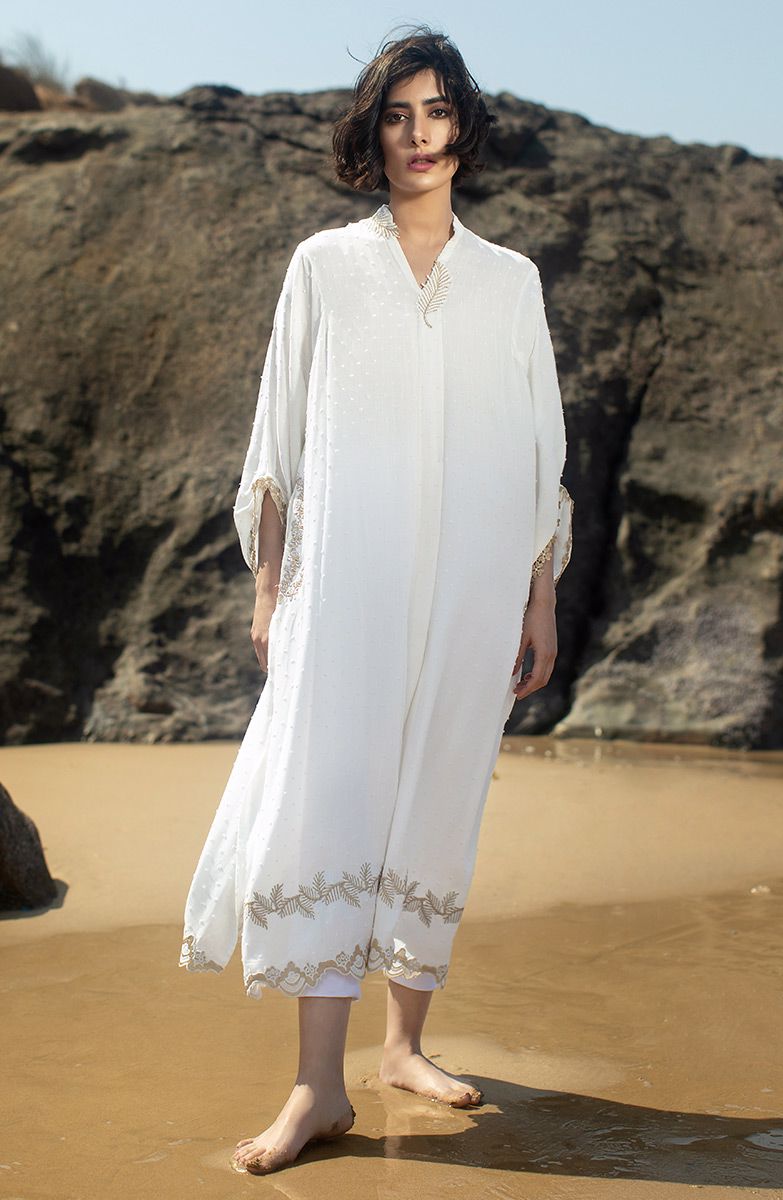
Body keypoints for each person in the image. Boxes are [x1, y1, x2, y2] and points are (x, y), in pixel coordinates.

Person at [179, 25, 573, 1176]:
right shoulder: (323, 267)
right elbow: (278, 439)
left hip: (473, 581)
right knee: (333, 799)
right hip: (343, 580)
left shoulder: (509, 284)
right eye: (397, 115)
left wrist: (537, 599)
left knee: (438, 792)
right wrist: (269, 586)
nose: (418, 135)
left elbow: (539, 451)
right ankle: (318, 1086)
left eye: (437, 112)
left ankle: (403, 1049)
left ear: (463, 128)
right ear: (373, 134)